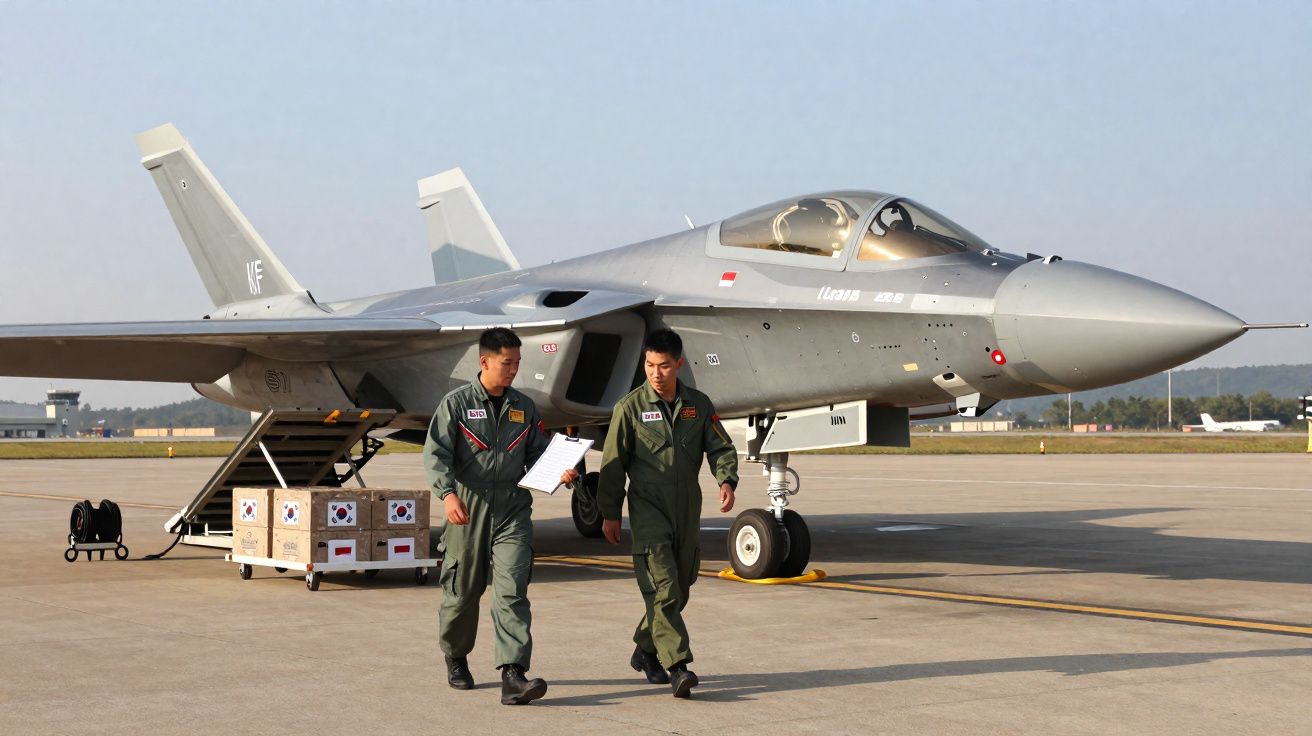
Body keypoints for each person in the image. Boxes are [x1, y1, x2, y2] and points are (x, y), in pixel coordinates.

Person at [424, 327, 578, 705]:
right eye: (506, 363)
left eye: (517, 363)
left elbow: (537, 453)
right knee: (462, 594)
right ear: (485, 361)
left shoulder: (524, 407)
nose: (512, 370)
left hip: (512, 510)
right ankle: (456, 656)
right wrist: (447, 495)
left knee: (511, 593)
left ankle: (513, 675)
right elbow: (436, 454)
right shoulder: (456, 405)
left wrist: (560, 470)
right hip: (468, 507)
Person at [597, 328, 739, 698]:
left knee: (680, 586)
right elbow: (613, 466)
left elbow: (720, 447)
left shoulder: (698, 405)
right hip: (648, 509)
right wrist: (609, 512)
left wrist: (726, 480)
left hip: (688, 507)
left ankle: (646, 650)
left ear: (679, 363)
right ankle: (678, 666)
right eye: (648, 365)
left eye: (663, 366)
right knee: (663, 589)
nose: (655, 373)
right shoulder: (629, 408)